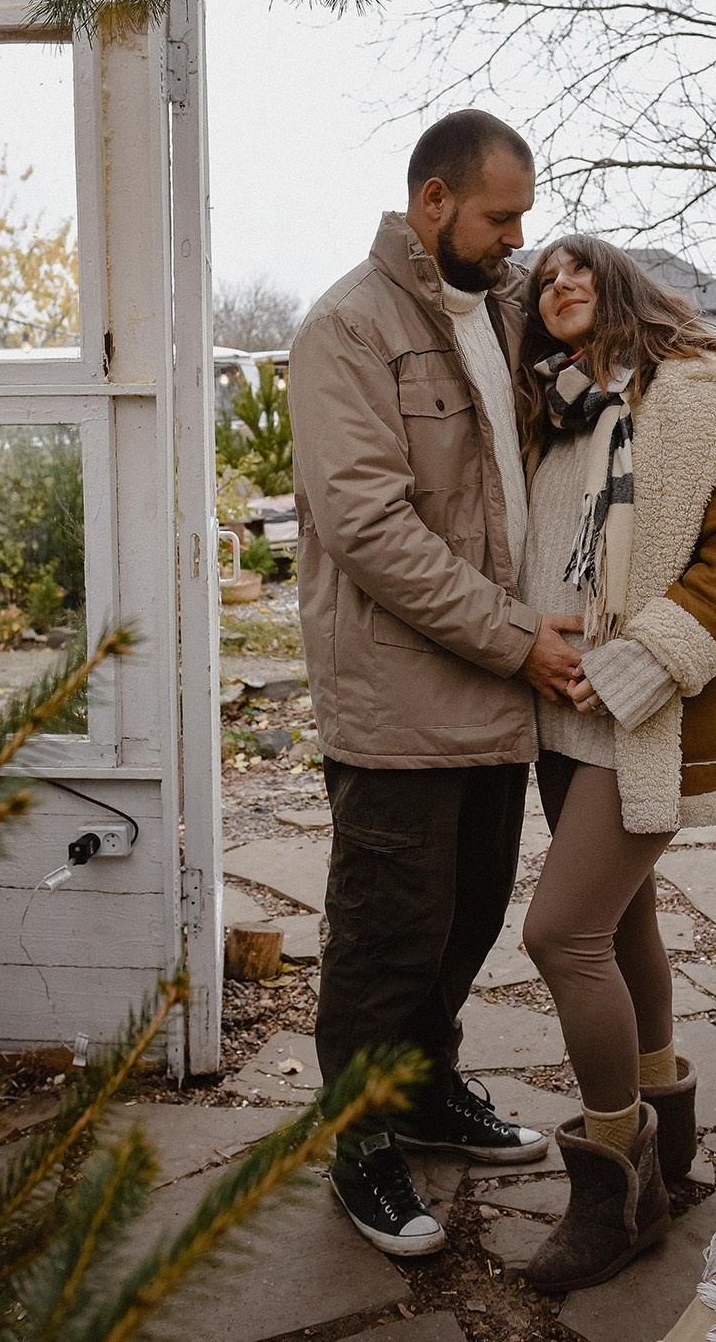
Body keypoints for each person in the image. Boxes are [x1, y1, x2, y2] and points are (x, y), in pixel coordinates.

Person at [288, 109, 584, 1258]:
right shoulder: (344, 331)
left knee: (460, 924)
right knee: (385, 936)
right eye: (500, 214)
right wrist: (517, 637)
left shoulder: (497, 311)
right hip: (402, 696)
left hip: (492, 692)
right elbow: (370, 527)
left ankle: (424, 1090)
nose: (519, 234)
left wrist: (563, 327)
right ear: (433, 204)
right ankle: (359, 1142)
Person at [514, 236, 716, 1293]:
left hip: (642, 707)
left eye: (578, 269)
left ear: (619, 283)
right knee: (621, 921)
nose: (559, 286)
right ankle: (671, 1142)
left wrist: (635, 660)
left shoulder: (706, 399)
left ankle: (613, 1180)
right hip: (559, 712)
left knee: (560, 930)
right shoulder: (559, 408)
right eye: (543, 278)